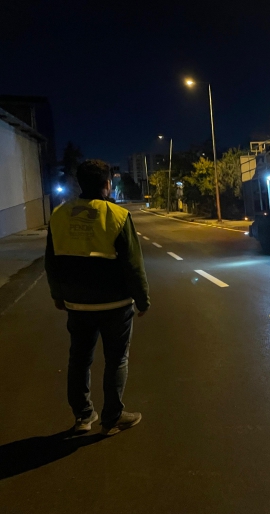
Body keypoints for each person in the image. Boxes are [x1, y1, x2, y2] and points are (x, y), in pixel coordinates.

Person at [45, 160, 150, 436]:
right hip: (115, 304)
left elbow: (51, 261)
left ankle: (83, 417)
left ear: (81, 183)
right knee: (117, 360)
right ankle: (112, 417)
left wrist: (58, 295)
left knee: (79, 359)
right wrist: (142, 299)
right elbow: (133, 264)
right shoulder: (116, 215)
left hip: (77, 303)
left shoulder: (59, 215)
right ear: (107, 184)